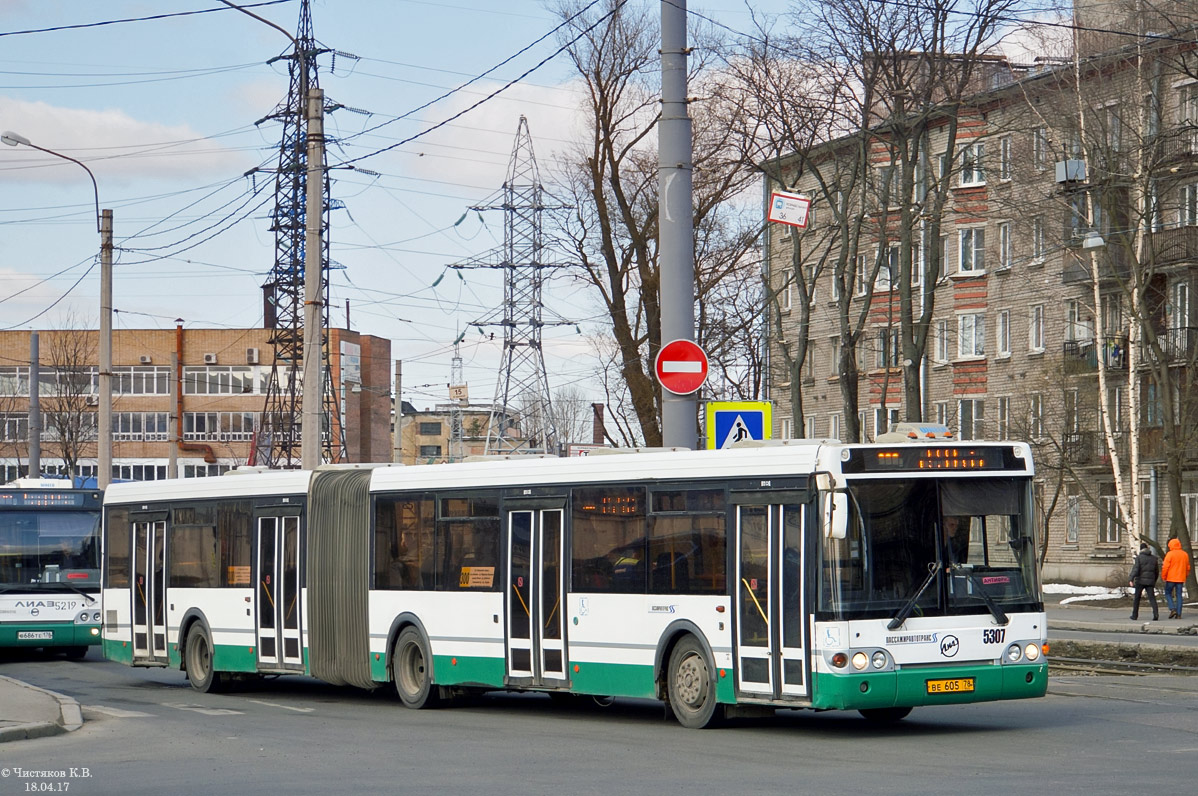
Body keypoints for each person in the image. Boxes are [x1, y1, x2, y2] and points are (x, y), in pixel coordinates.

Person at [1161, 538, 1192, 619]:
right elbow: (1188, 567)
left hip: (1171, 578)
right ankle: (1179, 614)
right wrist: (1185, 575)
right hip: (1180, 578)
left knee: (1168, 593)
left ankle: (1172, 608)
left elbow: (1165, 567)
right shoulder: (1185, 554)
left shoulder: (1170, 554)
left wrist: (1164, 576)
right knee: (1179, 595)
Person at [1127, 543, 1159, 621]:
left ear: (1141, 549)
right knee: (1152, 598)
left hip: (1140, 581)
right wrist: (1153, 581)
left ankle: (1134, 615)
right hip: (1150, 582)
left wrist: (1131, 579)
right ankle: (1156, 614)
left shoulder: (1139, 558)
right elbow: (1156, 572)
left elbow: (1136, 569)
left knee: (1137, 598)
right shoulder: (1154, 558)